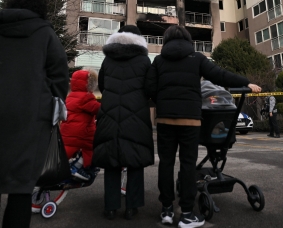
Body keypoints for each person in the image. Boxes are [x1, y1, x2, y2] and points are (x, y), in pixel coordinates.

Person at [0, 0, 69, 228]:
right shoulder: (45, 34)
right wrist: (44, 95)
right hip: (31, 116)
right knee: (21, 185)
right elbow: (60, 75)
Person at [146, 25, 261, 228]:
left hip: (165, 119)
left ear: (166, 40)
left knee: (166, 163)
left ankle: (166, 210)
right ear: (188, 39)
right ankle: (187, 214)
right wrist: (246, 82)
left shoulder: (158, 60)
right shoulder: (197, 58)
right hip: (190, 120)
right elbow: (220, 76)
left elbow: (150, 88)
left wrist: (163, 103)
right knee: (188, 164)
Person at [92, 25, 154, 220]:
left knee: (112, 160)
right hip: (136, 114)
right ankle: (132, 207)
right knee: (135, 159)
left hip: (109, 113)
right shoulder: (144, 60)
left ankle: (110, 207)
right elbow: (150, 87)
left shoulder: (108, 59)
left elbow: (102, 85)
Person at [60, 69, 101, 181]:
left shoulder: (70, 96)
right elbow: (98, 109)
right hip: (81, 133)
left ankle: (65, 169)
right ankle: (79, 168)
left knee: (65, 154)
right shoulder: (86, 97)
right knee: (92, 149)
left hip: (67, 132)